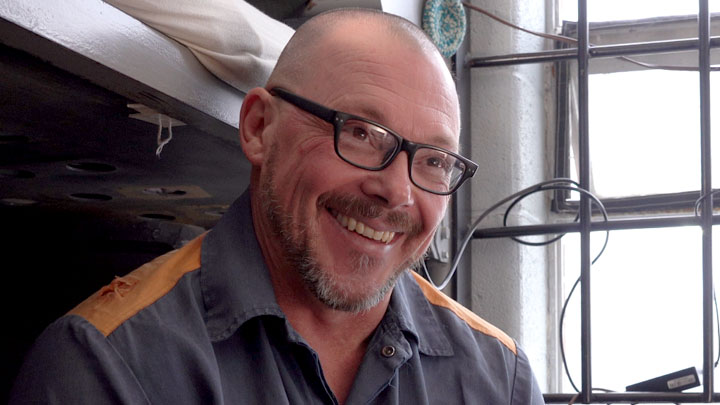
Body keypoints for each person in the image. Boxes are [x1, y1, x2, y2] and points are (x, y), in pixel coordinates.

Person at [10, 8, 544, 404]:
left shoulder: (499, 380)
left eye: (433, 160)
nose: (398, 192)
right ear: (260, 129)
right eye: (360, 133)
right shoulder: (107, 367)